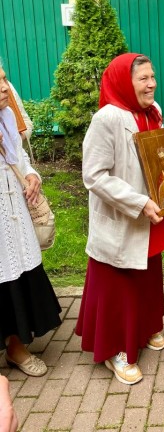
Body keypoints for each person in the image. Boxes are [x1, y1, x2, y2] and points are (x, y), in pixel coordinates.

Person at [75, 54, 164, 385]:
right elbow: (94, 176)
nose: (152, 83)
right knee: (119, 283)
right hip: (121, 220)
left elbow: (161, 156)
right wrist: (138, 201)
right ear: (124, 82)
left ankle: (145, 328)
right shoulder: (107, 119)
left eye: (153, 76)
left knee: (145, 276)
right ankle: (115, 350)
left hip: (150, 216)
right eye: (144, 78)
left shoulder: (152, 111)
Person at [0, 64, 61, 377]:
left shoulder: (7, 114)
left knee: (16, 276)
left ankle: (16, 347)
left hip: (13, 208)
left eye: (4, 79)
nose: (5, 88)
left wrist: (32, 175)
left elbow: (18, 155)